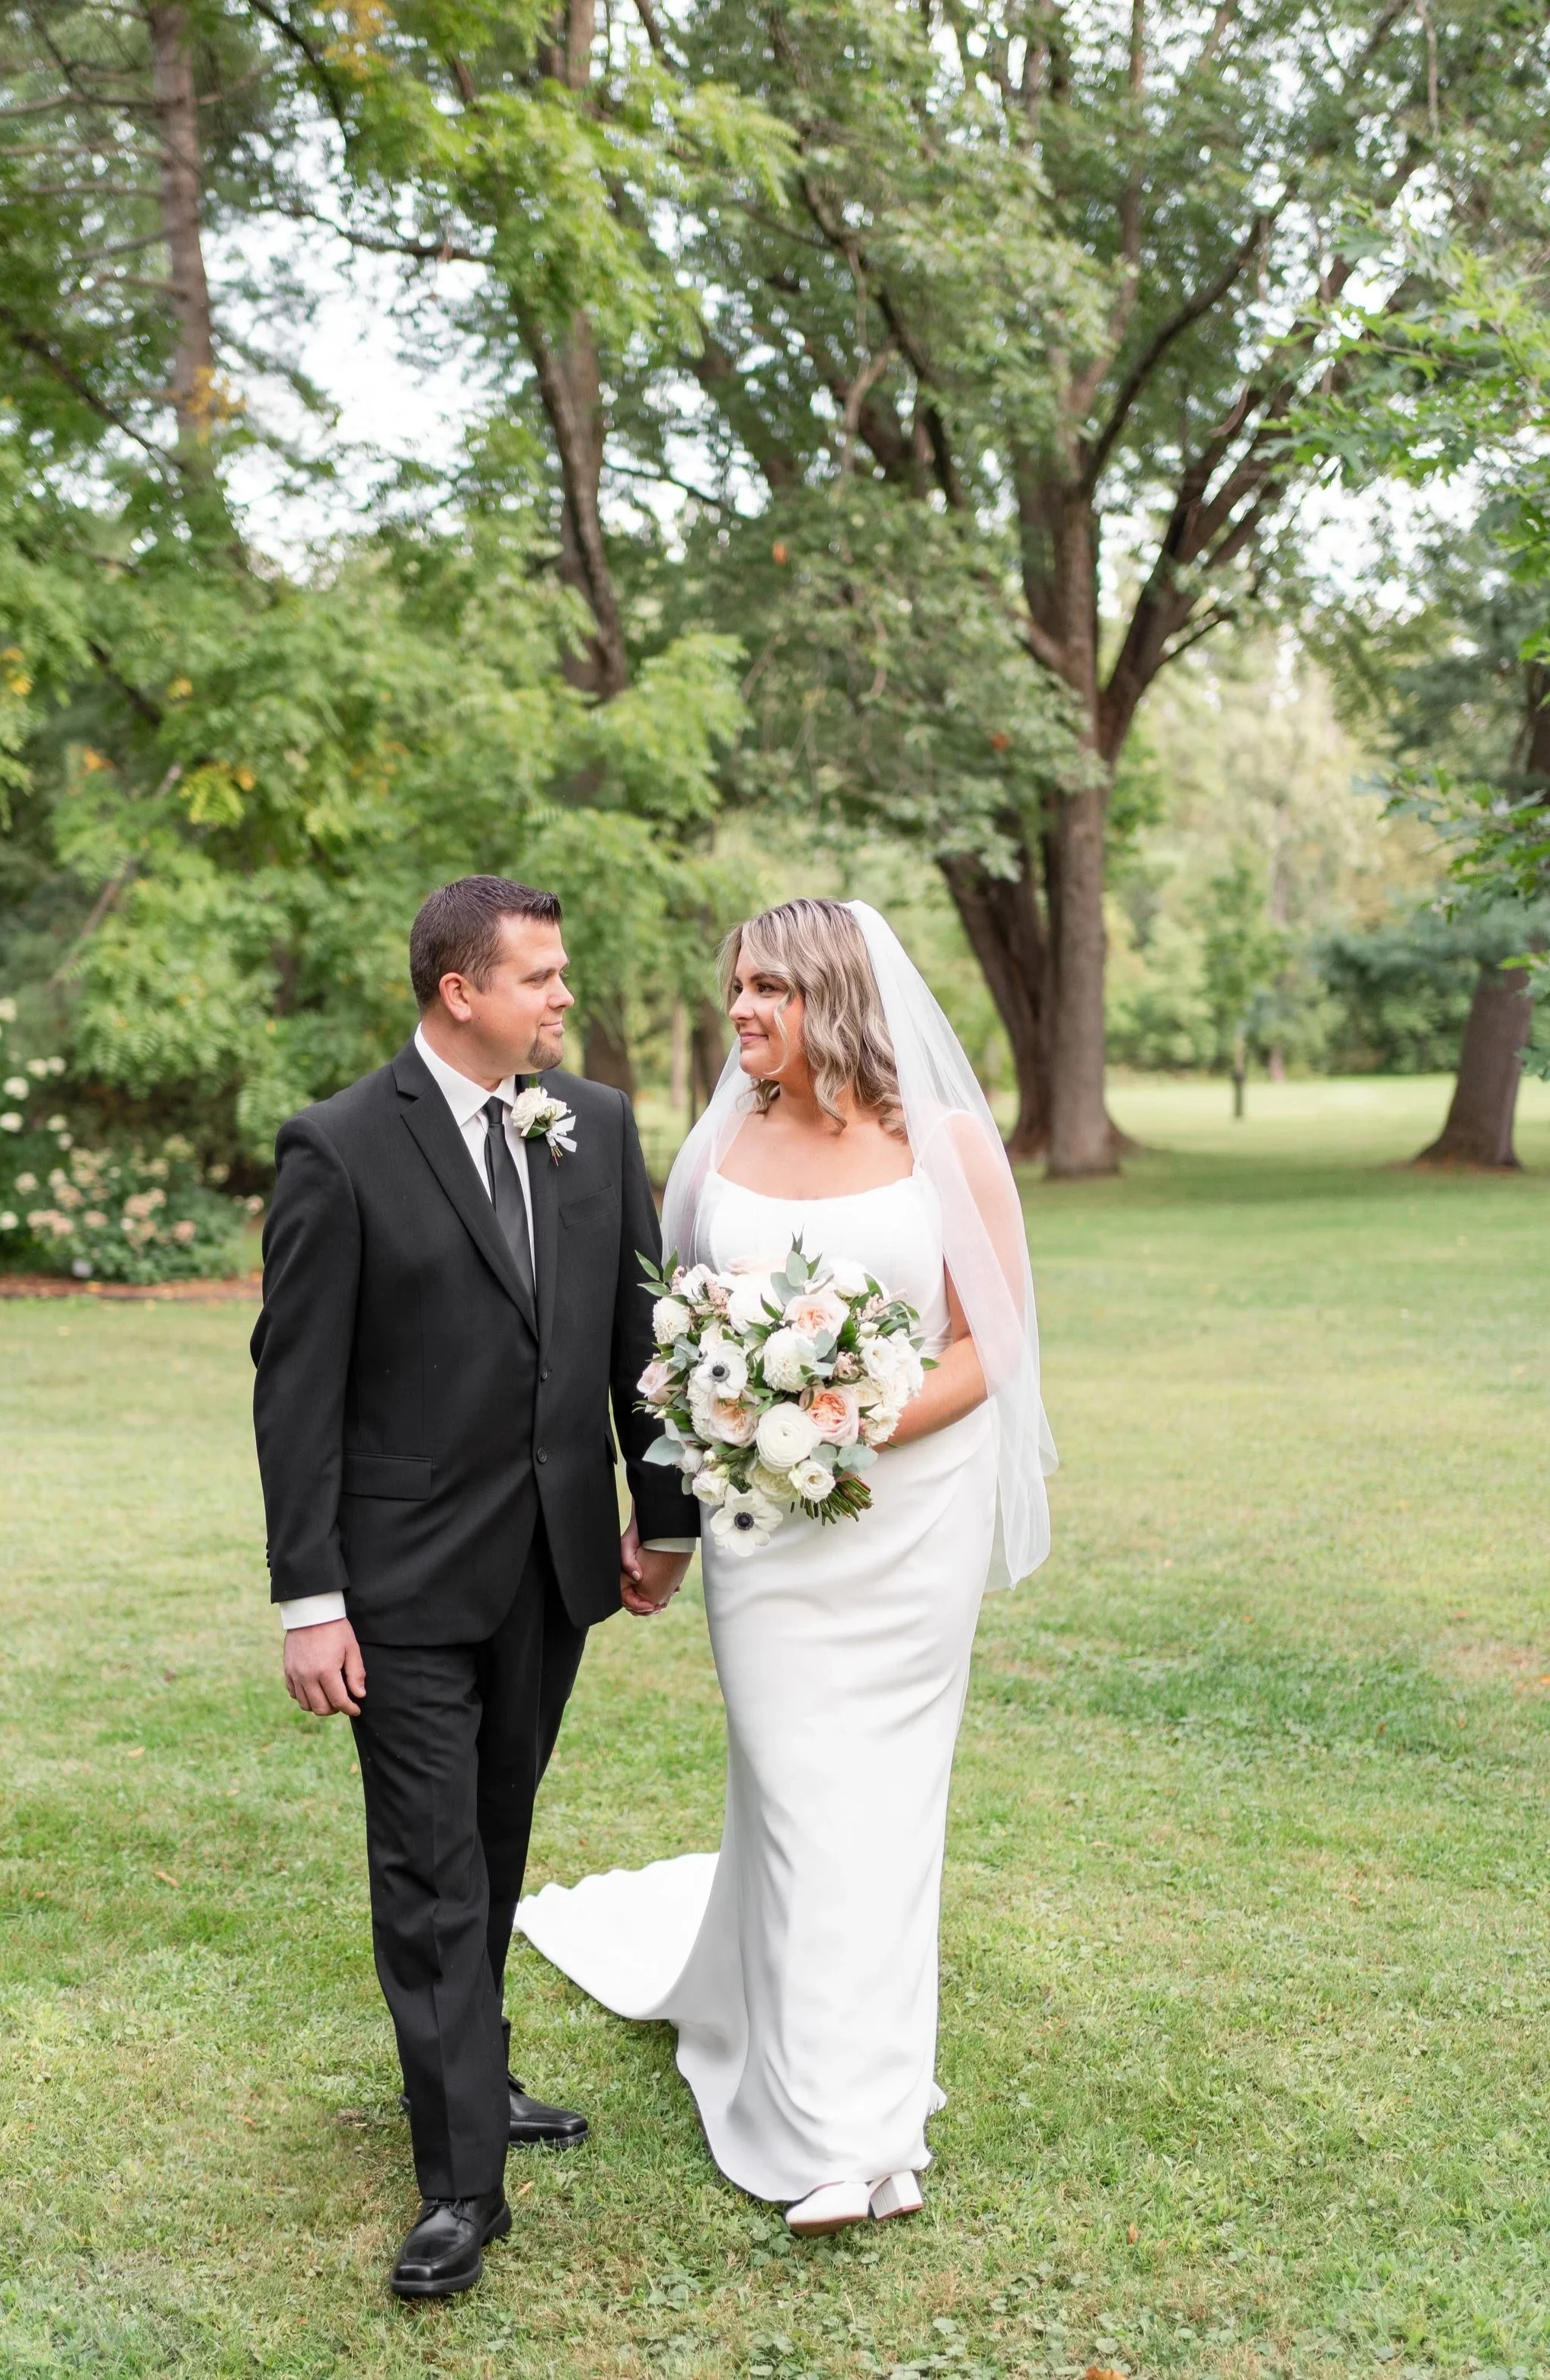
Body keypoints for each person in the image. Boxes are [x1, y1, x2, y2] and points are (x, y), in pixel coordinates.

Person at [516, 897, 1056, 2235]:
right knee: (800, 1788)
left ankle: (858, 2128)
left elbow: (995, 1343)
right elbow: (677, 1332)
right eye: (739, 987)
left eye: (770, 989)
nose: (744, 1009)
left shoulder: (944, 1144)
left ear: (835, 996)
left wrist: (848, 1415)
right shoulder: (722, 1146)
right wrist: (735, 1438)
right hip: (765, 1530)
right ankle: (833, 2131)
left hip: (905, 1519)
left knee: (883, 1810)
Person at [251, 875, 695, 2299]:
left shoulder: (597, 1126)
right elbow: (296, 1388)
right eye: (542, 978)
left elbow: (640, 1338)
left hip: (553, 1566)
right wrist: (309, 1596)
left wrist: (664, 1516)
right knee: (431, 1864)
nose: (565, 998)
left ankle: (472, 2074)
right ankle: (460, 2183)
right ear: (462, 993)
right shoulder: (337, 1148)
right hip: (397, 1581)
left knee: (495, 1839)